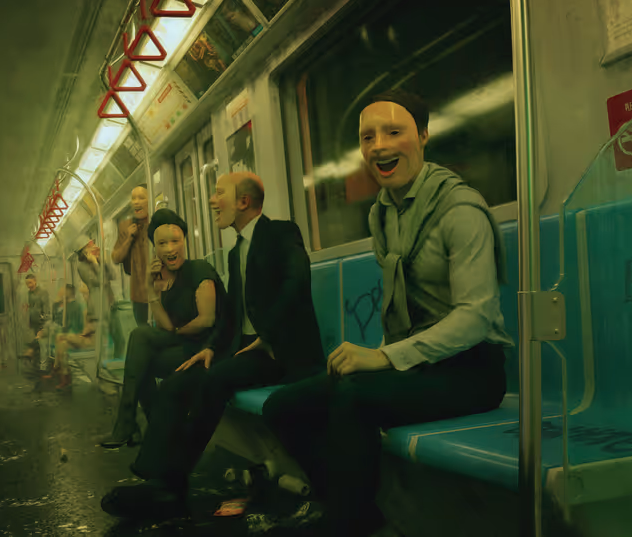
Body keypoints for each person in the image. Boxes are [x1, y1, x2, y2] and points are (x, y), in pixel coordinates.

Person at [262, 89, 512, 536]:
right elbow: (400, 303)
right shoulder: (383, 214)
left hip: (472, 371)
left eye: (394, 132)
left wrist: (384, 358)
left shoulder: (460, 209)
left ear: (423, 136)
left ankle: (347, 521)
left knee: (353, 398)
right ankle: (352, 510)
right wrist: (383, 355)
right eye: (368, 137)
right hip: (417, 364)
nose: (379, 146)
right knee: (283, 406)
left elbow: (476, 316)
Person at [101, 172, 325, 519]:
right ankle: (154, 474)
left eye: (219, 192)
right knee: (177, 382)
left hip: (279, 351)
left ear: (243, 202)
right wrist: (211, 347)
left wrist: (267, 335)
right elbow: (232, 315)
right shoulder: (236, 252)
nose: (211, 200)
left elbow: (297, 283)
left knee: (213, 380)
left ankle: (172, 485)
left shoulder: (281, 233)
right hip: (246, 350)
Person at [99, 209, 229, 449]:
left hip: (208, 347)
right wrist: (150, 287)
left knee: (141, 353)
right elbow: (166, 326)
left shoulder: (199, 270)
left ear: (184, 242)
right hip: (184, 343)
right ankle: (152, 429)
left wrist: (177, 331)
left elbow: (206, 320)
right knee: (140, 341)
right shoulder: (165, 279)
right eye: (162, 244)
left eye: (175, 241)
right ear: (155, 249)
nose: (169, 249)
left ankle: (142, 427)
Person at [112, 185, 150, 325]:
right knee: (143, 330)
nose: (136, 202)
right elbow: (116, 258)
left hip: (160, 289)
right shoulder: (125, 226)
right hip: (138, 293)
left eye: (141, 198)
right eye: (133, 198)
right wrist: (129, 238)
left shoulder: (157, 222)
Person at [21, 273, 50, 362]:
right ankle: (37, 360)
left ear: (35, 281)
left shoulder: (42, 292)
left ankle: (41, 360)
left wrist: (44, 323)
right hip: (33, 321)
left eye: (30, 283)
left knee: (41, 342)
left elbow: (46, 308)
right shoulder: (29, 293)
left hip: (41, 321)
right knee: (38, 342)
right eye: (27, 283)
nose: (28, 285)